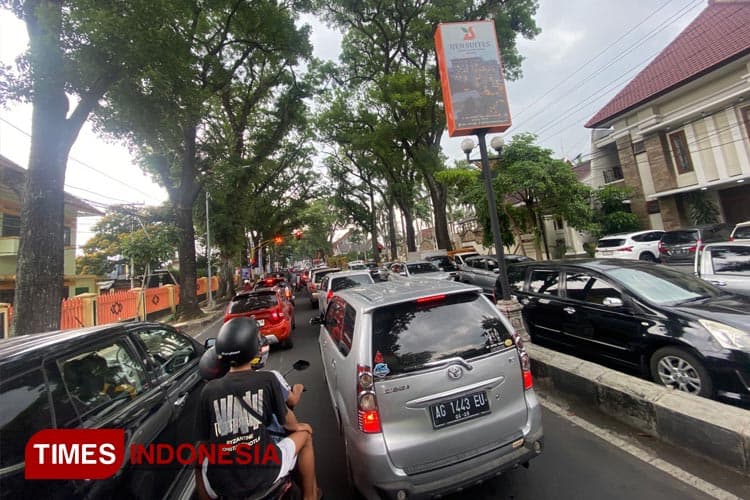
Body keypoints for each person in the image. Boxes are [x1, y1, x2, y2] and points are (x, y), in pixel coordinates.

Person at [195, 317, 320, 500]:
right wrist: (301, 427)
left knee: (199, 461)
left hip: (221, 485)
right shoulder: (268, 379)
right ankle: (310, 496)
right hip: (265, 472)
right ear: (255, 349)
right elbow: (289, 423)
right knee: (306, 436)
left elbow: (204, 444)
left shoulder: (208, 391)